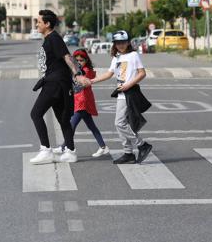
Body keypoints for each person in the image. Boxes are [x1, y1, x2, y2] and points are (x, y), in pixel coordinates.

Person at [29, 10, 90, 165]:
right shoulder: (50, 38)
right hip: (57, 82)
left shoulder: (54, 38)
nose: (37, 24)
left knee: (36, 113)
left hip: (55, 83)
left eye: (39, 22)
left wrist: (78, 74)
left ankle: (46, 151)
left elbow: (67, 57)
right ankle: (70, 152)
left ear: (47, 24)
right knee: (63, 119)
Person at [89, 30, 153, 164]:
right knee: (122, 124)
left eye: (123, 42)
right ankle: (128, 153)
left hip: (129, 93)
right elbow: (109, 74)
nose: (121, 45)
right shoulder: (116, 57)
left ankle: (142, 144)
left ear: (128, 42)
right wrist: (92, 81)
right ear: (114, 44)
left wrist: (128, 85)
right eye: (118, 43)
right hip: (121, 93)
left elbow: (142, 73)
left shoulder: (133, 55)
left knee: (119, 123)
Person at [53, 49, 109, 158]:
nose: (79, 62)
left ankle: (64, 146)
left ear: (86, 60)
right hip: (80, 101)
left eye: (81, 60)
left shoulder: (85, 71)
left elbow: (78, 83)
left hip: (82, 101)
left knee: (71, 125)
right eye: (76, 60)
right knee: (91, 126)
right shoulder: (77, 70)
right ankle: (103, 147)